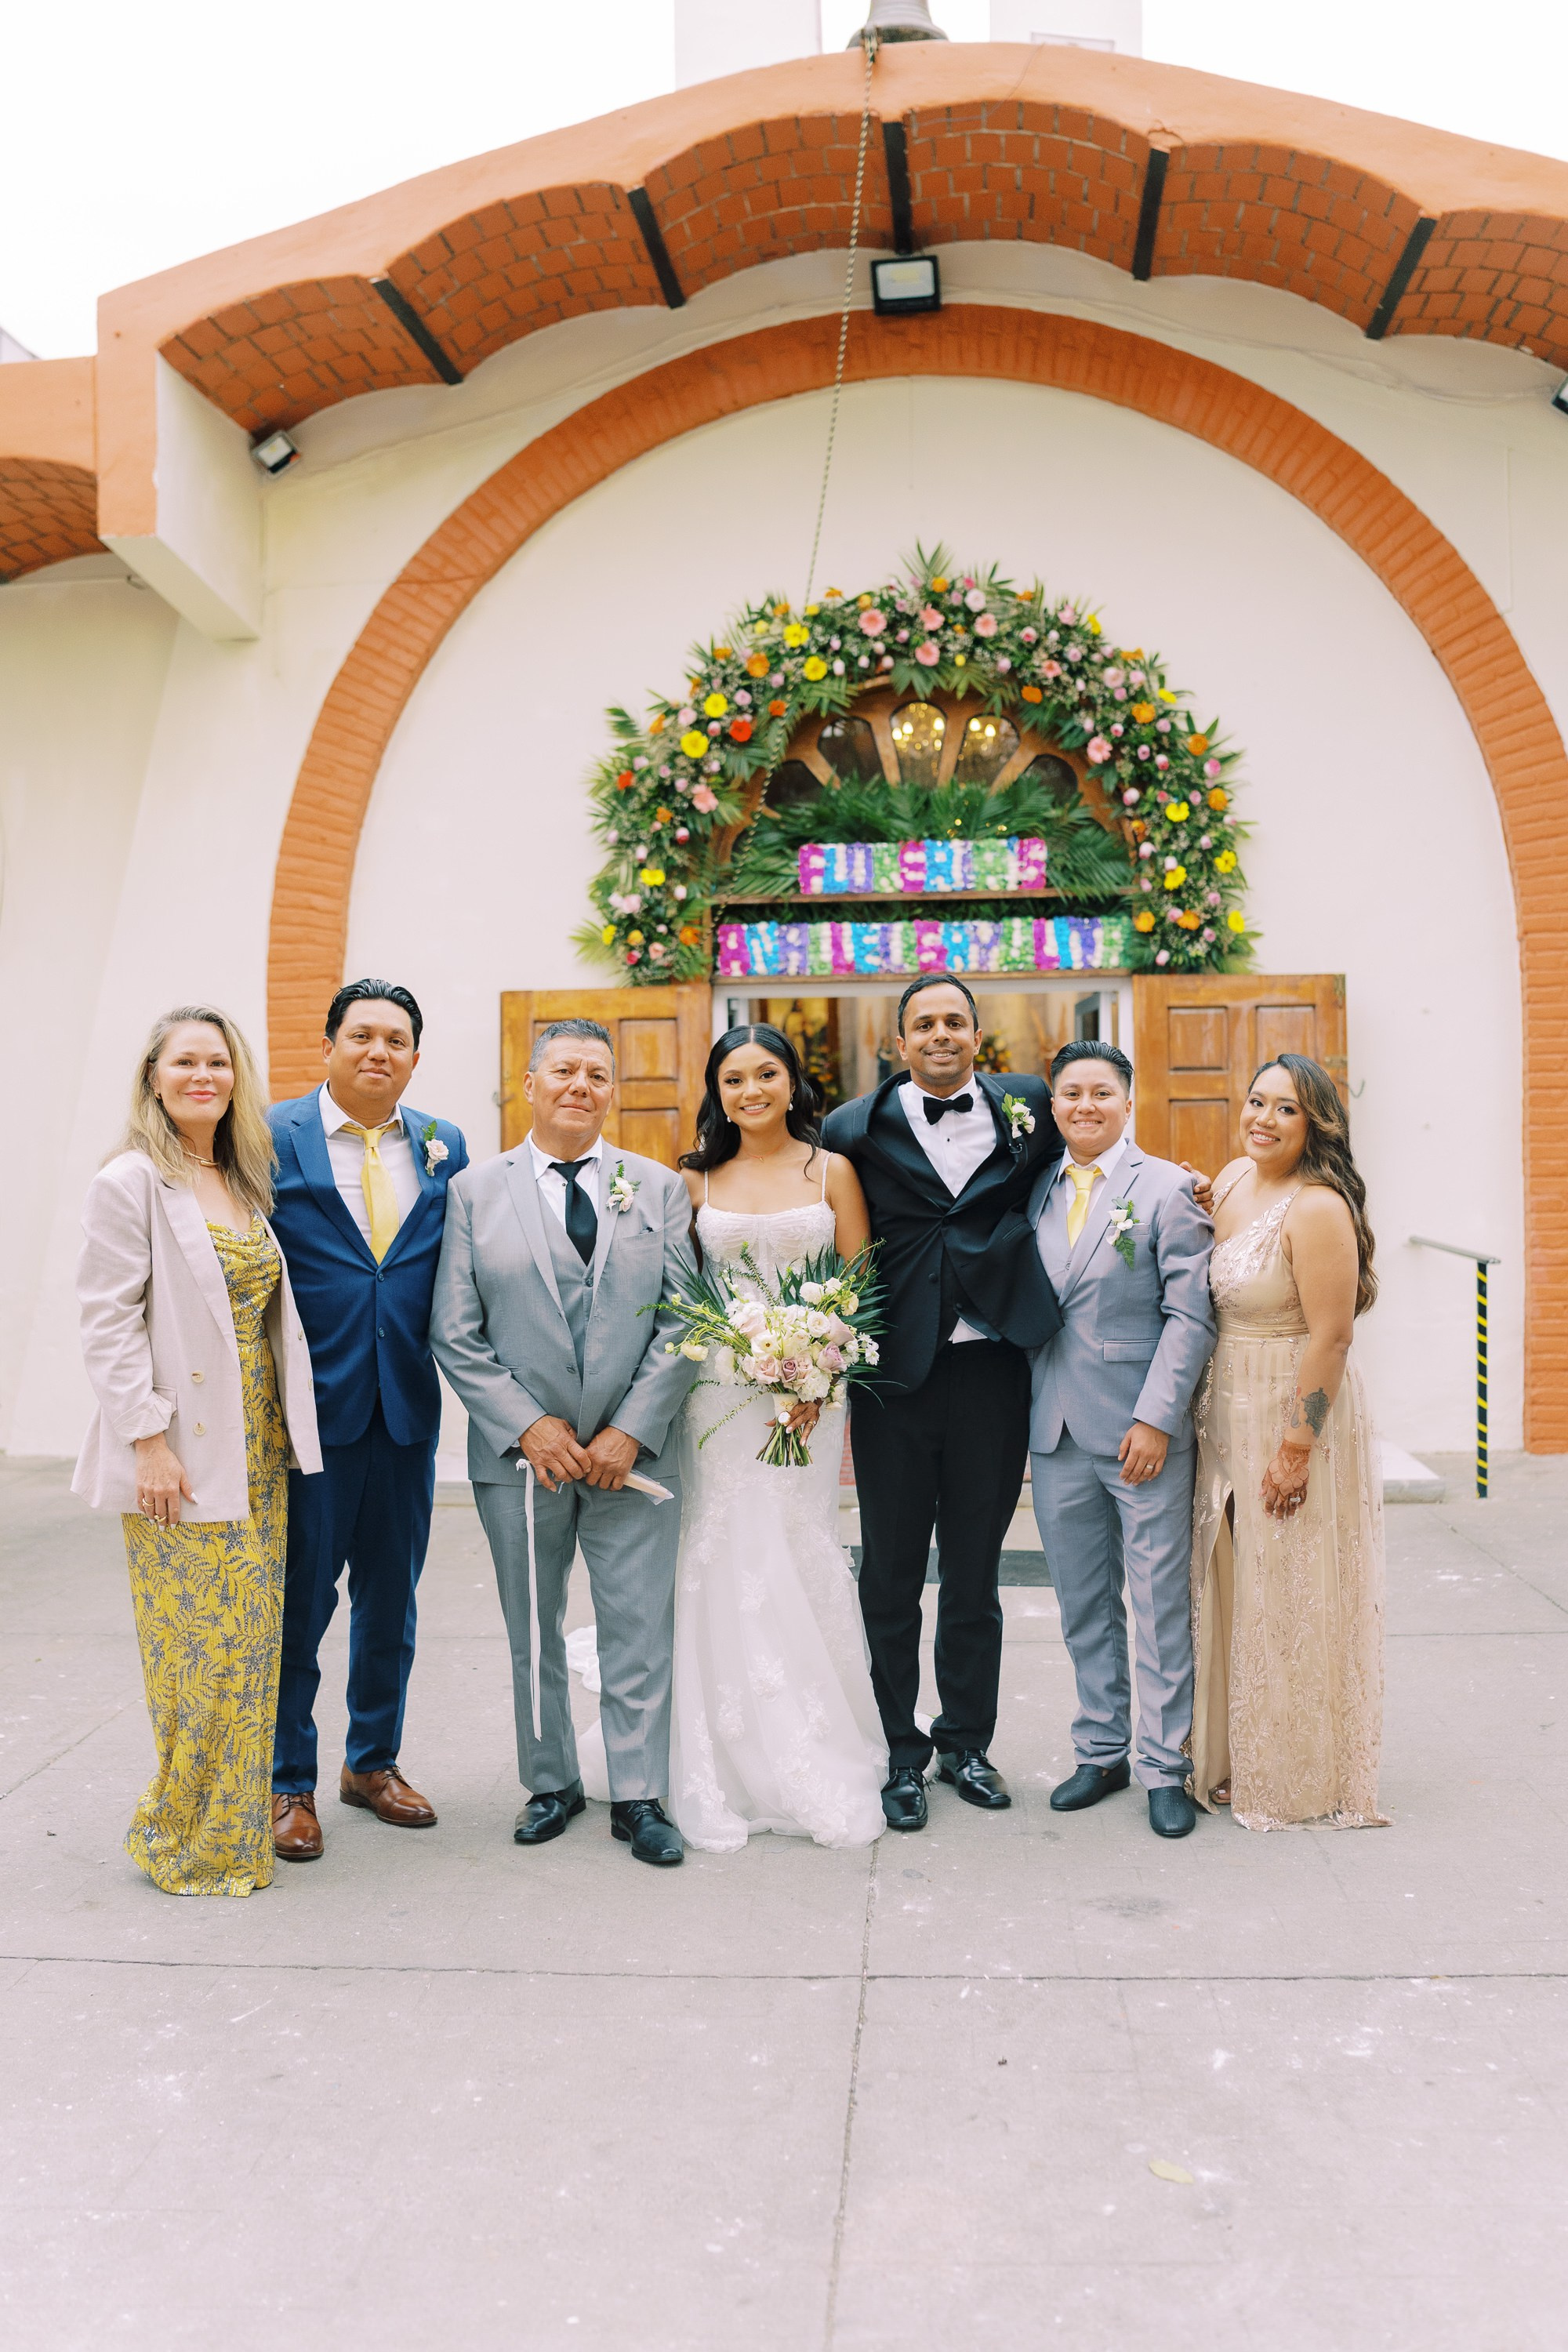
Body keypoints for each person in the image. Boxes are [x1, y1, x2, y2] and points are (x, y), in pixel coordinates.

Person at [430, 1019, 699, 1867]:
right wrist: (527, 1425)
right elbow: (455, 1330)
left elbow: (687, 1320)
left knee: (636, 1625)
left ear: (611, 1090)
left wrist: (631, 1429)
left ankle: (639, 1794)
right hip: (521, 1461)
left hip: (635, 1460)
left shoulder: (656, 1189)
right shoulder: (473, 1193)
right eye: (564, 1070)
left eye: (596, 1073)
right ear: (530, 1081)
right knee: (533, 1627)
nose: (580, 1084)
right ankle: (550, 1782)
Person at [74, 1006, 321, 1896]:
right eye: (185, 1062)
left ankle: (230, 1831)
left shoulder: (242, 1176)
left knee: (251, 1644)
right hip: (180, 1447)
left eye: (218, 1062)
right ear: (153, 1075)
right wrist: (147, 1439)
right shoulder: (131, 1180)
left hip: (257, 1446)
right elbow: (105, 1321)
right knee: (199, 1651)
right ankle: (184, 1833)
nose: (203, 1076)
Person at [822, 975, 1064, 1832]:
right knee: (888, 1574)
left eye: (953, 1022)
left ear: (975, 1036)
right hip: (895, 1379)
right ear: (898, 1044)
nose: (939, 1034)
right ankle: (898, 1748)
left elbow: (1093, 1156)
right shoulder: (849, 1127)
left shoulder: (1028, 1106)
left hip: (994, 1370)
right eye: (922, 1024)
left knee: (973, 1573)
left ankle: (966, 1742)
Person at [665, 1024, 886, 1851]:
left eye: (766, 1074)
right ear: (716, 1092)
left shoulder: (830, 1170)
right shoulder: (693, 1178)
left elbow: (859, 1286)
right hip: (717, 1398)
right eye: (732, 1079)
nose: (750, 1090)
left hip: (806, 1401)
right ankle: (724, 1749)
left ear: (793, 1083)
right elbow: (676, 1287)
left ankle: (813, 1732)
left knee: (796, 1547)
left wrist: (820, 1376)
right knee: (719, 1548)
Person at [266, 980, 467, 1861]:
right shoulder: (270, 1136)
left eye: (396, 1040)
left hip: (405, 1409)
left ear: (414, 1058)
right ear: (330, 1046)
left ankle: (372, 1763)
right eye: (361, 1036)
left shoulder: (442, 1144)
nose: (378, 1051)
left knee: (391, 1601)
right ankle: (286, 1781)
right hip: (312, 1413)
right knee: (302, 1603)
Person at [1189, 1054, 1387, 1829]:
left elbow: (1332, 1336)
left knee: (1289, 1587)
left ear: (1315, 1126)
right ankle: (1237, 1749)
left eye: (1285, 1110)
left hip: (1289, 1406)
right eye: (1255, 1102)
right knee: (1236, 1584)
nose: (1261, 1120)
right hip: (1225, 1402)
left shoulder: (1316, 1208)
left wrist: (1294, 1447)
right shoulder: (1234, 1178)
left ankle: (1293, 1768)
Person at [1026, 1042, 1215, 1841]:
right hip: (1054, 1428)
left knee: (1157, 1603)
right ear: (1053, 1104)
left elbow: (1190, 1314)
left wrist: (1156, 1418)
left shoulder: (1168, 1189)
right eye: (1070, 1093)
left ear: (1126, 1100)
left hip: (1139, 1430)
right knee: (1082, 1604)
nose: (1084, 1106)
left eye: (1100, 1092)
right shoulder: (1030, 1187)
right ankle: (1100, 1748)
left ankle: (1162, 1766)